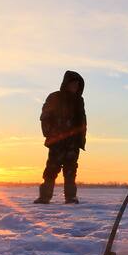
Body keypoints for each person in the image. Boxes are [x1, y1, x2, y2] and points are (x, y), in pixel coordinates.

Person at [35, 70, 87, 204]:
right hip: (57, 141)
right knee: (52, 168)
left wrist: (80, 139)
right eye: (72, 84)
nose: (75, 87)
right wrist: (50, 133)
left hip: (73, 143)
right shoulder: (54, 97)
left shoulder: (79, 101)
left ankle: (70, 197)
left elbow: (82, 121)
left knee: (71, 170)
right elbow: (45, 117)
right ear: (66, 84)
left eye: (77, 85)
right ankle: (45, 197)